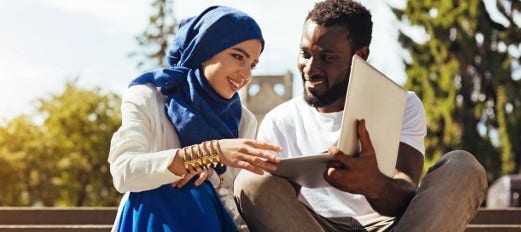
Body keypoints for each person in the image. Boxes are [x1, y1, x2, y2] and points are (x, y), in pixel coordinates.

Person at [233, 0, 488, 231]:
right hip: (313, 225)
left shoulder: (400, 104)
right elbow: (273, 201)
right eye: (305, 54)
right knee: (251, 182)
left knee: (463, 166)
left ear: (360, 56)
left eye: (327, 57)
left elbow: (407, 190)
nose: (311, 68)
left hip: (392, 226)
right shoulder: (280, 121)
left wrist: (374, 185)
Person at [108, 5, 282, 232]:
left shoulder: (243, 119)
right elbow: (124, 172)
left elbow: (233, 205)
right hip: (151, 219)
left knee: (197, 191)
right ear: (204, 50)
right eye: (238, 56)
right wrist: (205, 154)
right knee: (176, 191)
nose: (246, 74)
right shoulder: (147, 97)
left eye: (252, 65)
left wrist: (210, 179)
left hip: (209, 221)